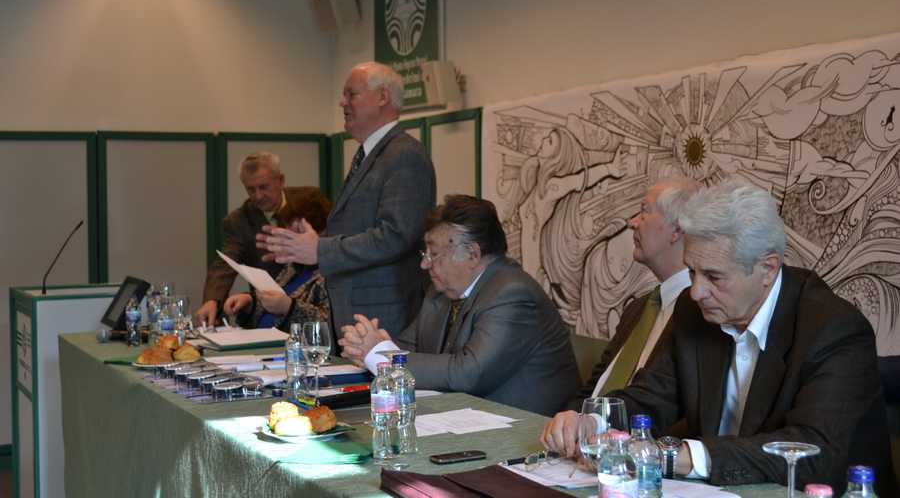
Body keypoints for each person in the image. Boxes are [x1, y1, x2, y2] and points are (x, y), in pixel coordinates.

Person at [551, 178, 899, 495]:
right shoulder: (694, 311)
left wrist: (684, 456)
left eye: (714, 277)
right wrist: (591, 421)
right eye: (691, 271)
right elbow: (652, 396)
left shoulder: (834, 328)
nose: (696, 291)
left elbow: (812, 451)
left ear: (767, 269)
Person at [338, 194, 582, 417]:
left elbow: (468, 374)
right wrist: (366, 346)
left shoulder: (512, 294)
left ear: (472, 255)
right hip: (460, 417)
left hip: (525, 429)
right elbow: (407, 347)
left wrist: (382, 356)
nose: (424, 264)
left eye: (433, 254)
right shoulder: (440, 292)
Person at [258, 62, 436, 337]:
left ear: (382, 96)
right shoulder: (372, 153)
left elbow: (396, 235)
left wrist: (320, 249)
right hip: (356, 313)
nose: (342, 102)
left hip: (384, 315)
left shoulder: (404, 155)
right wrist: (299, 248)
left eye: (351, 94)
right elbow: (355, 230)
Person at [540, 176, 701, 448]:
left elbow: (665, 404)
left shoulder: (702, 313)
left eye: (644, 211)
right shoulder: (640, 307)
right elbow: (594, 387)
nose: (632, 222)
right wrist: (572, 423)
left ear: (676, 231)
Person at [195, 151, 309, 327]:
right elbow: (224, 265)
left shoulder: (308, 201)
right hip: (269, 313)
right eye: (250, 189)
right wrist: (211, 300)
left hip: (312, 307)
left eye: (263, 187)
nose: (258, 196)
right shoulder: (239, 221)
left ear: (280, 180)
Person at [222, 187, 331, 331]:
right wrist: (250, 303)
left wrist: (289, 307)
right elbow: (271, 308)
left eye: (295, 235)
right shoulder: (293, 266)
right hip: (261, 340)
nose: (288, 241)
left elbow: (331, 325)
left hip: (291, 345)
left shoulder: (331, 274)